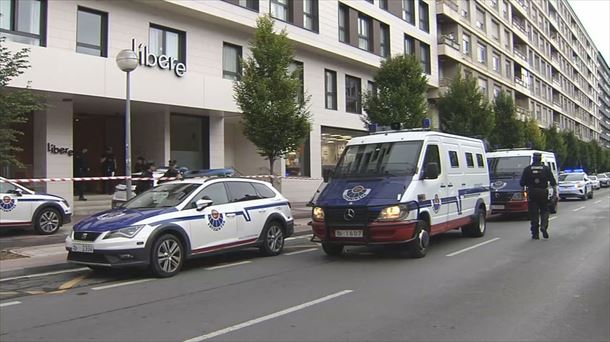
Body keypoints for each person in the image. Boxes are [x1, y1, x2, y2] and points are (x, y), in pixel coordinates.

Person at [519, 152, 558, 239]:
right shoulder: (546, 169)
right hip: (543, 192)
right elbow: (553, 182)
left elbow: (522, 183)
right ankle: (544, 226)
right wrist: (554, 192)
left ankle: (535, 233)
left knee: (534, 213)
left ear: (533, 159)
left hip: (532, 193)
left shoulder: (527, 169)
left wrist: (528, 183)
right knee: (544, 211)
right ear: (540, 159)